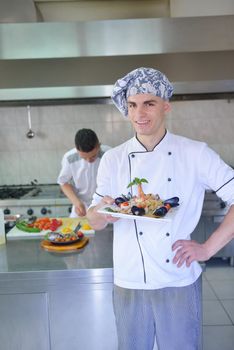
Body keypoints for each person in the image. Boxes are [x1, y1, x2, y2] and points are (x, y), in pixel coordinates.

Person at [87, 67, 234, 350]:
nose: (139, 114)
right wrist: (100, 214)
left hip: (177, 278)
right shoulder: (113, 159)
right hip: (129, 279)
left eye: (149, 104)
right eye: (132, 105)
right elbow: (95, 220)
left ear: (166, 106)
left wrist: (206, 249)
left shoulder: (195, 152)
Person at [57, 128, 110, 217]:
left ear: (99, 146)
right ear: (77, 150)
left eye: (93, 156)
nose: (89, 160)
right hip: (82, 206)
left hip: (105, 205)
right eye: (84, 157)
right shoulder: (69, 158)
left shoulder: (109, 154)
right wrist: (77, 202)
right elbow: (63, 182)